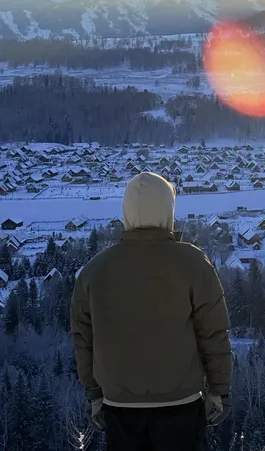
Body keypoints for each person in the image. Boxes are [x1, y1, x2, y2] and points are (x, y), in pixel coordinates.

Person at [70, 171, 232, 450]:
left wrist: (94, 394)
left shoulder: (95, 271)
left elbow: (84, 340)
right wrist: (218, 391)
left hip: (119, 408)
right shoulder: (193, 263)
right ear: (168, 210)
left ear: (126, 212)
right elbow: (214, 334)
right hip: (181, 406)